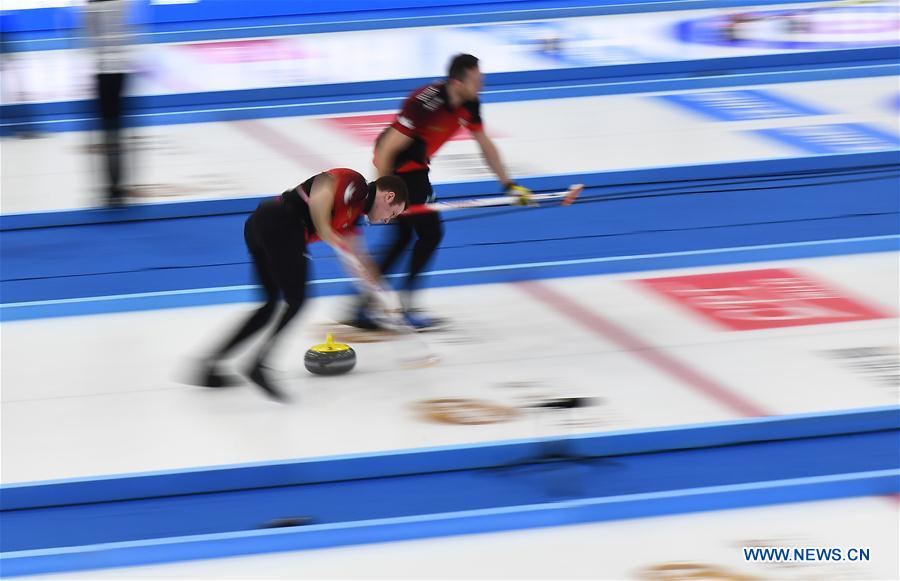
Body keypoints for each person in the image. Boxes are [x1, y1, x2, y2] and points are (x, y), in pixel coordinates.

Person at [355, 53, 532, 330]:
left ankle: (362, 307)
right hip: (400, 168)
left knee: (402, 237)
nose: (481, 85)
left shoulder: (470, 103)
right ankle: (403, 307)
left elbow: (485, 144)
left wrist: (508, 184)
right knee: (430, 233)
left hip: (416, 166)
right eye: (476, 80)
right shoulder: (425, 103)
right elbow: (388, 148)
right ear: (456, 81)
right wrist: (382, 194)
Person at [198, 170, 408, 401]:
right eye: (392, 213)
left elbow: (360, 259)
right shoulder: (356, 183)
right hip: (282, 223)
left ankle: (210, 366)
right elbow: (323, 185)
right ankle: (259, 365)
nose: (387, 220)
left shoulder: (352, 216)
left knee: (269, 306)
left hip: (263, 225)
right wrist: (326, 230)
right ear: (388, 197)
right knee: (296, 301)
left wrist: (385, 293)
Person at [83, 0, 134, 207]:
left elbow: (90, 36)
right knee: (116, 131)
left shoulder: (90, 8)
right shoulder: (122, 4)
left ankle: (112, 189)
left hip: (104, 73)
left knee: (109, 132)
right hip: (120, 72)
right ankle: (116, 187)